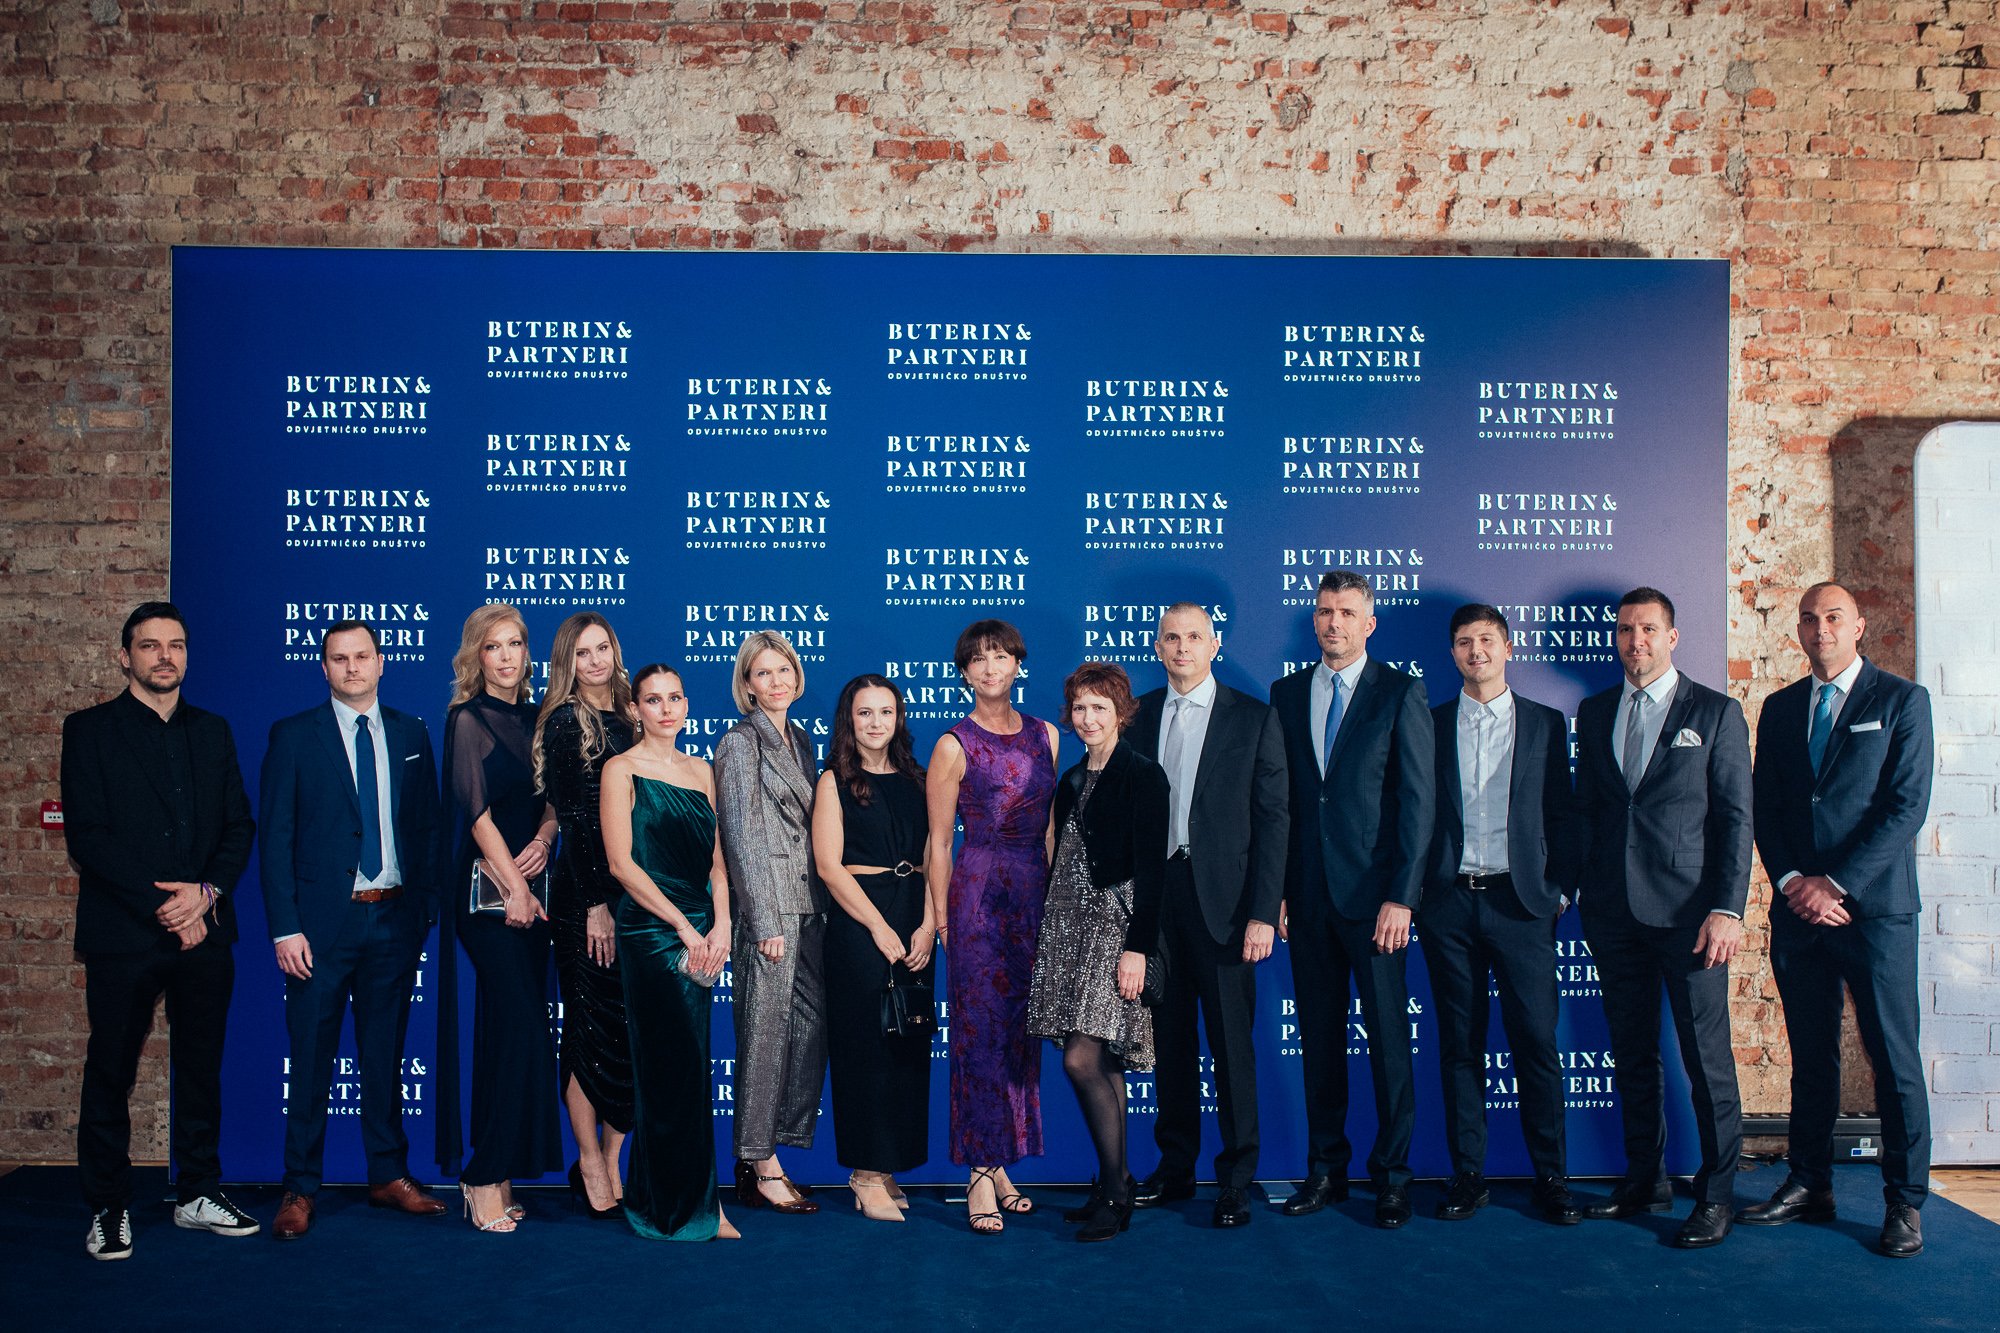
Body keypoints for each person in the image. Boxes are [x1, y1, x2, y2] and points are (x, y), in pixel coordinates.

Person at [1742, 582, 1934, 1258]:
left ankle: (1904, 1201)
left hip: (1875, 911)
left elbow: (1906, 806)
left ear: (1859, 626)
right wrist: (1795, 883)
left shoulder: (1903, 700)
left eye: (1833, 617)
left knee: (1893, 1058)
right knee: (1811, 1054)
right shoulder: (1780, 708)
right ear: (1797, 630)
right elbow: (1767, 808)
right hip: (1800, 912)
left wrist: (1837, 883)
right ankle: (1809, 1183)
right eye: (1808, 618)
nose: (1819, 628)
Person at [63, 602, 258, 1259]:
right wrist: (168, 907)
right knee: (111, 1069)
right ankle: (108, 1205)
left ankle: (199, 1192)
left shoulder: (213, 730)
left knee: (201, 1068)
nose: (164, 656)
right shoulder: (89, 731)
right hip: (124, 935)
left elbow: (238, 826)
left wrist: (205, 896)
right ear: (126, 657)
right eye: (149, 645)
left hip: (206, 930)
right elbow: (89, 835)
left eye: (175, 644)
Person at [1574, 587, 1752, 1249]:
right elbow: (1590, 810)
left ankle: (1717, 1194)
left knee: (1707, 1061)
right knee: (1632, 1053)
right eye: (1625, 630)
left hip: (1691, 918)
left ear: (1672, 636)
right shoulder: (1595, 711)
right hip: (1613, 913)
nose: (1635, 641)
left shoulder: (1715, 711)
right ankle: (1643, 1180)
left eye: (1648, 629)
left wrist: (1727, 908)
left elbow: (1735, 819)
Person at [262, 619, 448, 1240]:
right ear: (324, 668)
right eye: (339, 659)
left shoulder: (411, 732)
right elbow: (276, 839)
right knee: (311, 1059)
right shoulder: (294, 735)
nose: (351, 668)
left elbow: (427, 826)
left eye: (362, 656)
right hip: (320, 929)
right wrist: (285, 928)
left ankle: (388, 1175)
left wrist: (424, 909)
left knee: (384, 1056)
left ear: (380, 662)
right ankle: (299, 1187)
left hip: (394, 918)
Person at [1270, 568, 1432, 1228]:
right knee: (1318, 1039)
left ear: (1369, 623)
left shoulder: (1400, 691)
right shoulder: (1286, 693)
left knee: (1390, 1040)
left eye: (1345, 612)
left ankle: (1392, 1176)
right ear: (1313, 619)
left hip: (1376, 904)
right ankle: (1325, 1169)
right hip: (1307, 899)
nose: (1333, 622)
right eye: (1324, 611)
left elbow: (1418, 803)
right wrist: (1280, 892)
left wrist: (1403, 896)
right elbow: (1280, 803)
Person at [1419, 604, 1582, 1225]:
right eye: (1464, 642)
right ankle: (1468, 1175)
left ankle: (1553, 1178)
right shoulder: (1430, 724)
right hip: (1449, 905)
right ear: (1452, 653)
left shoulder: (1544, 722)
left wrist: (1559, 891)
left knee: (1536, 1042)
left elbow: (1563, 813)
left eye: (1487, 640)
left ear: (1509, 648)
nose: (1476, 651)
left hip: (1523, 906)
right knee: (1460, 1046)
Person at [1126, 602, 1287, 1228]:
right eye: (1171, 637)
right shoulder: (1136, 716)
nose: (1183, 647)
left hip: (1226, 905)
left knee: (1231, 1048)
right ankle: (1175, 1169)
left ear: (1214, 645)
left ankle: (1236, 1180)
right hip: (1156, 901)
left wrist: (1263, 912)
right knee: (1169, 1044)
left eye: (1194, 636)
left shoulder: (1253, 716)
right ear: (1157, 646)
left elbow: (1274, 820)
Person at [1027, 662, 1169, 1243]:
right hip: (1068, 926)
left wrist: (1138, 950)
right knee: (1101, 1063)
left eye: (1099, 708)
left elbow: (1152, 871)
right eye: (1080, 708)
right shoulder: (1070, 779)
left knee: (1082, 1060)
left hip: (1115, 928)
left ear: (1121, 713)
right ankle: (1116, 1182)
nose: (1088, 718)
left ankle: (1117, 1191)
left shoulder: (1144, 775)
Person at [925, 619, 1059, 1233]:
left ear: (1017, 664)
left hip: (1034, 895)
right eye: (977, 659)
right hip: (977, 898)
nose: (989, 667)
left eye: (1000, 655)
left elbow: (1051, 830)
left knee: (1019, 1035)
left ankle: (1002, 1162)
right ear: (964, 673)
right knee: (978, 1035)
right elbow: (937, 844)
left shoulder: (1047, 735)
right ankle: (979, 1172)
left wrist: (1058, 907)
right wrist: (941, 919)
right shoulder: (954, 744)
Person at [601, 664, 739, 1241]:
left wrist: (723, 925)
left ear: (686, 705)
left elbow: (717, 862)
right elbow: (621, 865)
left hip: (704, 930)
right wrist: (682, 925)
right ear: (636, 709)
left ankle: (700, 1202)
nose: (665, 709)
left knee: (693, 1064)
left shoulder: (702, 771)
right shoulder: (620, 769)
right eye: (653, 700)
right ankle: (669, 1207)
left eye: (674, 698)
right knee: (665, 1066)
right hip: (653, 931)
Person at [443, 604, 562, 1233]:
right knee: (519, 1028)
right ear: (477, 657)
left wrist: (544, 838)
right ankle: (482, 1175)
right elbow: (476, 813)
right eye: (494, 646)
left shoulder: (542, 718)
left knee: (510, 1034)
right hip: (489, 900)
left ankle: (503, 1171)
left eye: (515, 643)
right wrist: (515, 887)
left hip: (536, 892)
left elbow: (556, 802)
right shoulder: (467, 719)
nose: (507, 656)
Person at [813, 675, 936, 1222]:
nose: (876, 723)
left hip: (915, 918)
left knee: (906, 1042)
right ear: (849, 719)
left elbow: (936, 854)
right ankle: (863, 1173)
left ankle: (888, 1166)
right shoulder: (834, 781)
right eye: (865, 713)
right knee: (864, 1048)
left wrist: (929, 925)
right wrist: (879, 927)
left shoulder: (918, 779)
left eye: (886, 712)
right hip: (860, 924)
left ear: (898, 719)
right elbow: (828, 866)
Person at [714, 629, 827, 1215]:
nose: (776, 681)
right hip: (771, 911)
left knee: (809, 1031)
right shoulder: (740, 742)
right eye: (763, 673)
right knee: (763, 1036)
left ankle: (767, 1146)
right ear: (748, 685)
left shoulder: (800, 738)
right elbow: (741, 836)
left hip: (810, 904)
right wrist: (762, 920)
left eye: (784, 670)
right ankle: (761, 1164)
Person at [533, 612, 639, 1216]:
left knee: (628, 1034)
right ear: (566, 663)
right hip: (586, 898)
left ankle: (614, 1156)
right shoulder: (567, 722)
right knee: (587, 1029)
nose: (595, 661)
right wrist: (597, 903)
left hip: (638, 895)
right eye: (582, 653)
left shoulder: (633, 713)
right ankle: (589, 1158)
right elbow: (573, 819)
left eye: (602, 648)